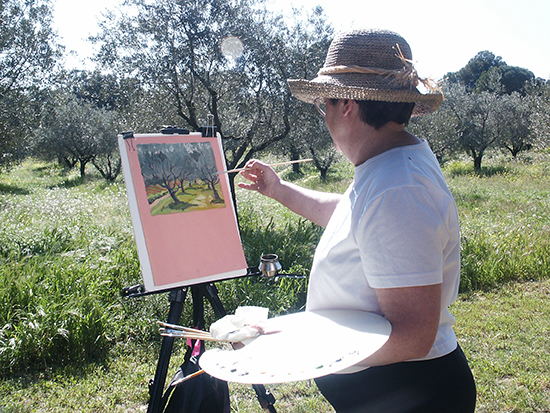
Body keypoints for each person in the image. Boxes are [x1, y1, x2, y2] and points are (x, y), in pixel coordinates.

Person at [238, 29, 476, 412]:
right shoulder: (387, 167)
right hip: (398, 392)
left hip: (408, 396)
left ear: (346, 103)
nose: (325, 116)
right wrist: (279, 189)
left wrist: (294, 347)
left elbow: (413, 336)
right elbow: (353, 219)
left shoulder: (397, 188)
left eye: (324, 105)